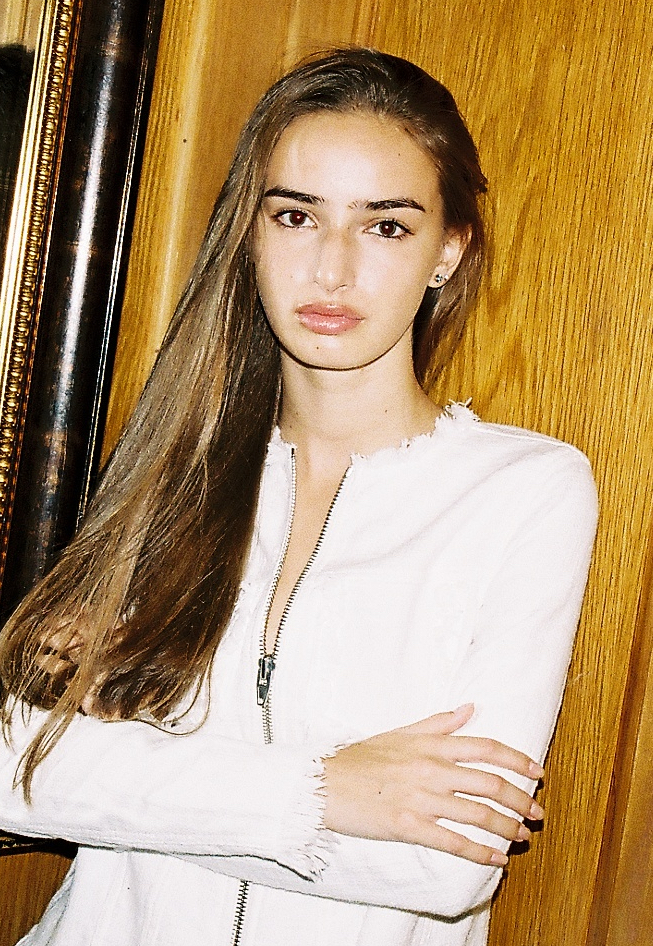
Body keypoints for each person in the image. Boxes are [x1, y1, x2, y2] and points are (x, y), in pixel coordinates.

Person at [0, 47, 597, 946]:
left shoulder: (525, 492)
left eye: (385, 226)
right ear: (249, 234)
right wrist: (324, 791)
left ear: (447, 251)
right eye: (295, 215)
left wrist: (122, 781)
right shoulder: (170, 469)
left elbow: (450, 860)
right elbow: (13, 763)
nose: (331, 269)